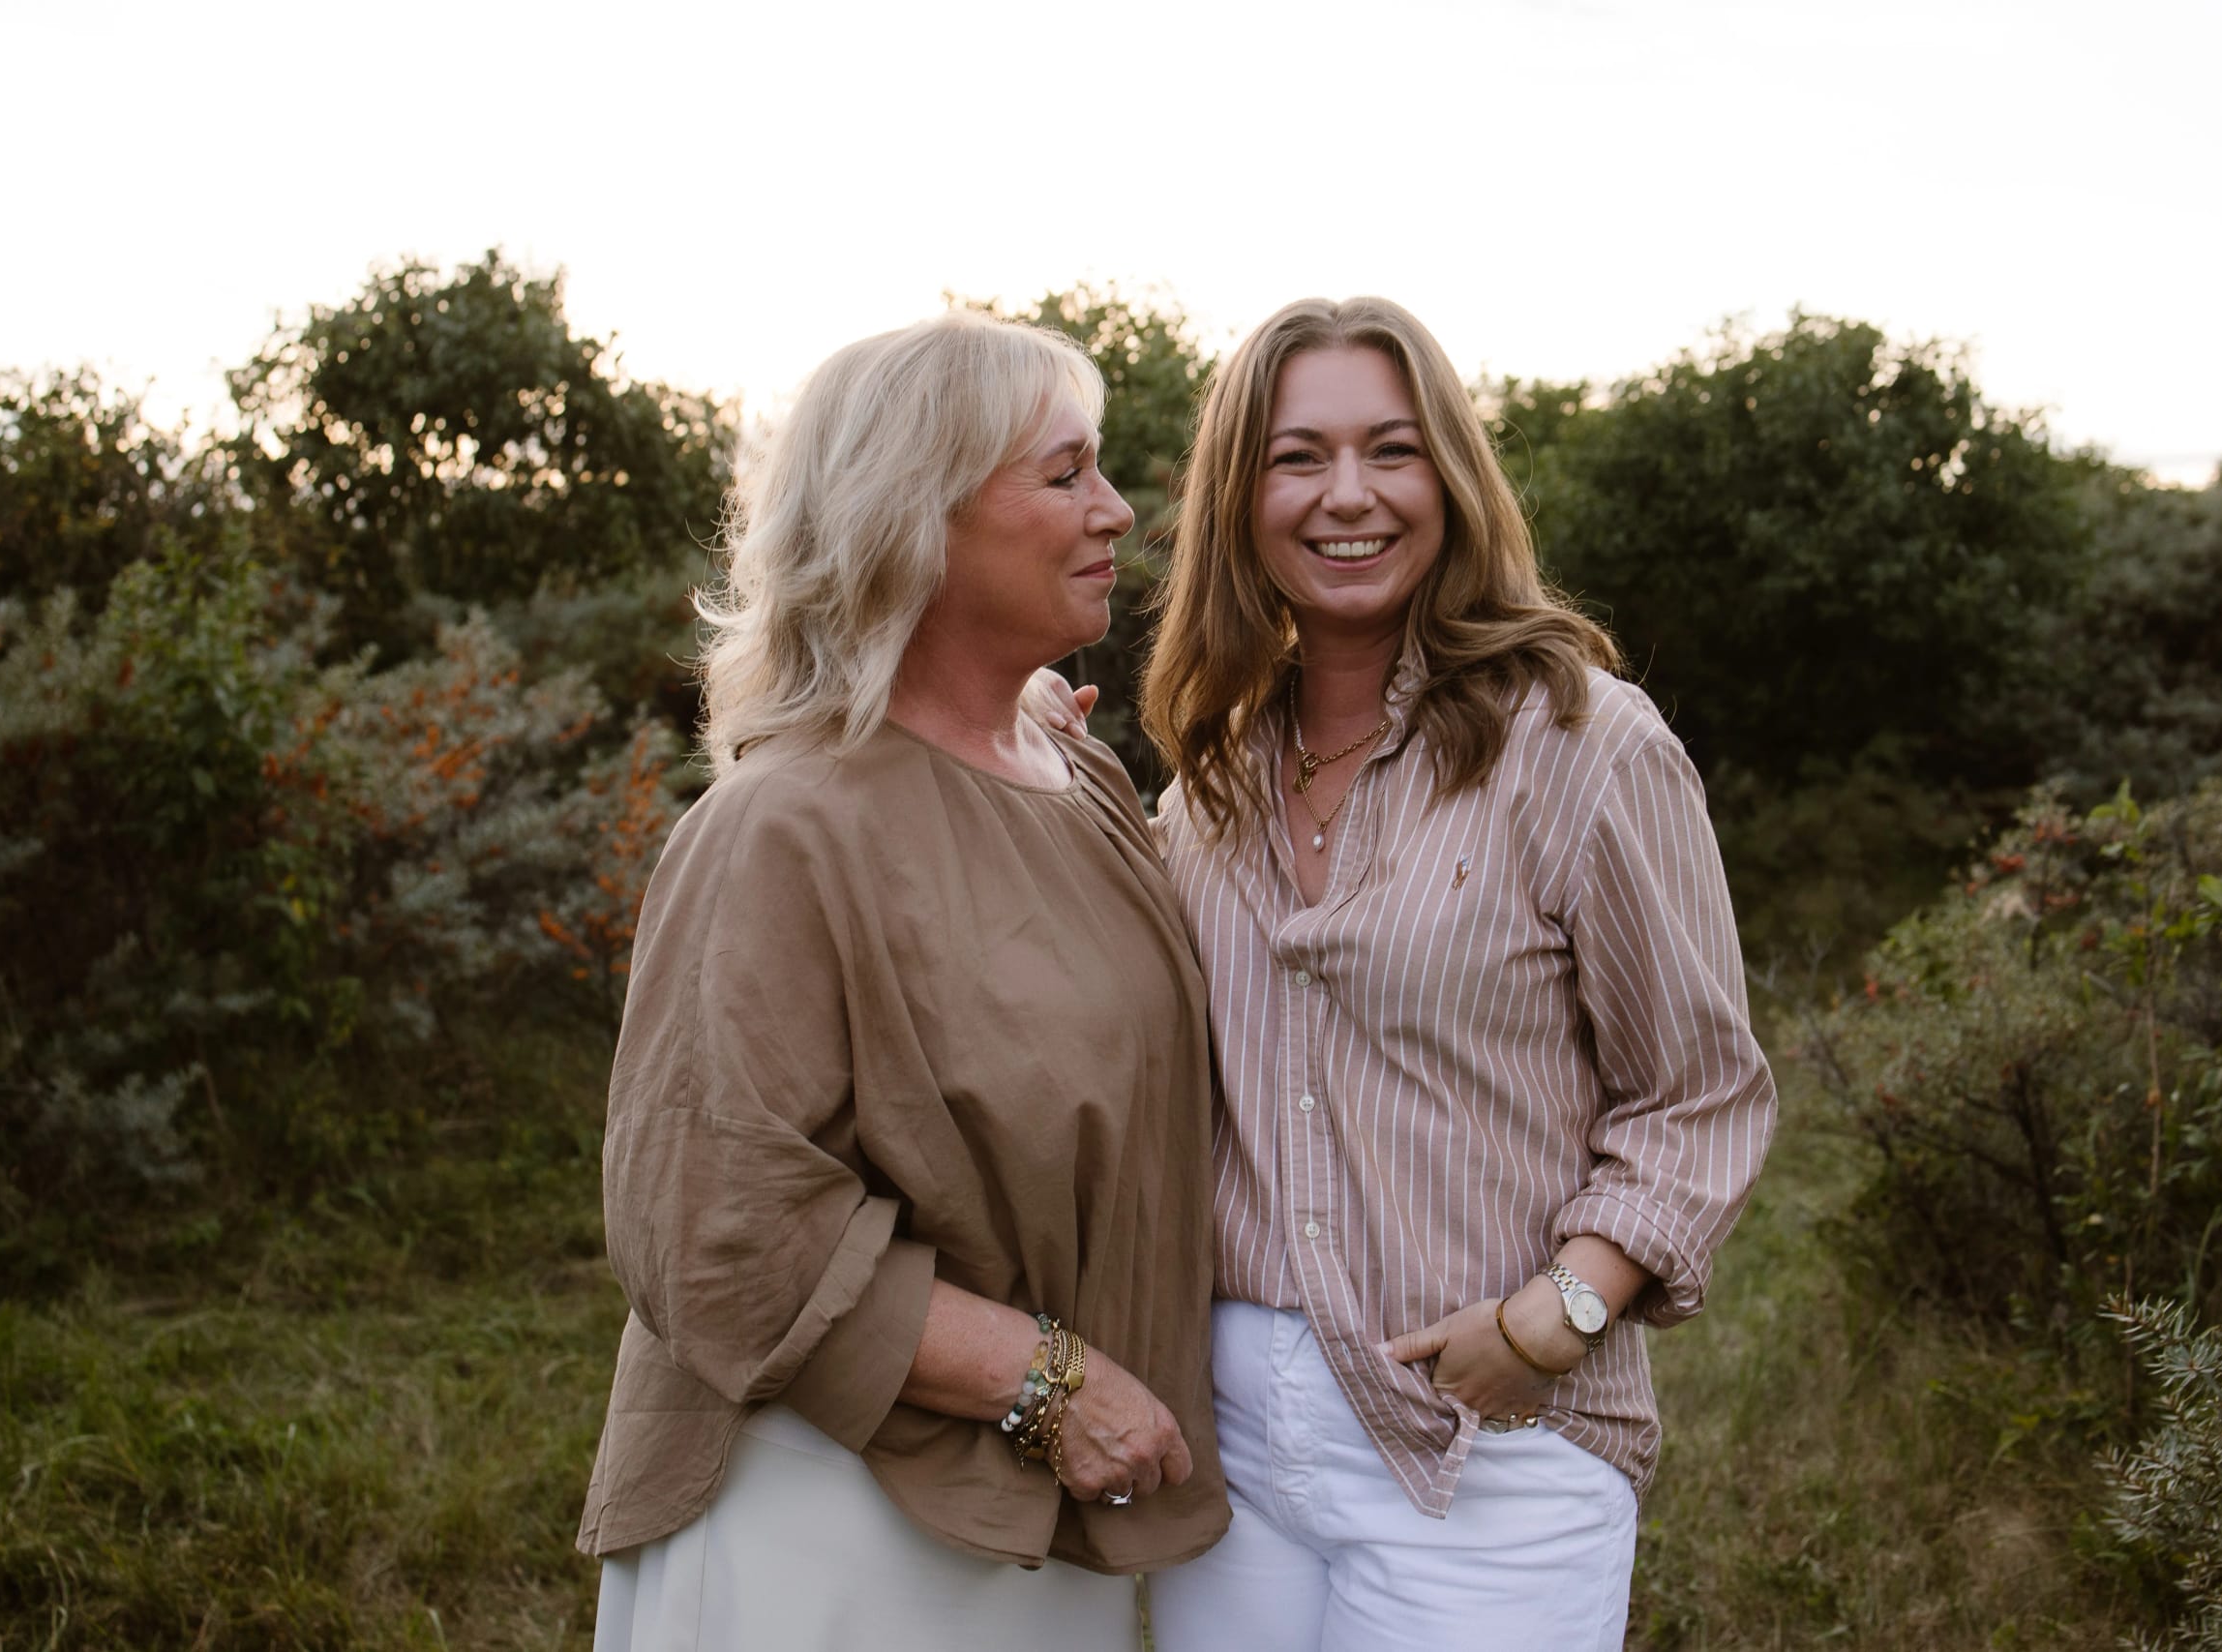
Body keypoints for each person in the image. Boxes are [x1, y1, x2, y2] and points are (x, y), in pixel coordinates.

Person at [576, 310, 1228, 1651]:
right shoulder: (782, 827)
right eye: (1065, 474)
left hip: (1050, 1527)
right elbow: (717, 1227)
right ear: (914, 517)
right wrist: (1053, 1385)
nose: (1115, 510)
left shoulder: (1088, 781)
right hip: (833, 1529)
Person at [1132, 297, 1777, 1652]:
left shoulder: (1583, 743)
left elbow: (1701, 1095)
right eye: (1297, 456)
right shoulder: (1209, 776)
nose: (1346, 495)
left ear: (1455, 480)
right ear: (1239, 496)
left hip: (1494, 1441)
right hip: (1233, 1444)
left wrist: (1560, 1315)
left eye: (1394, 450)